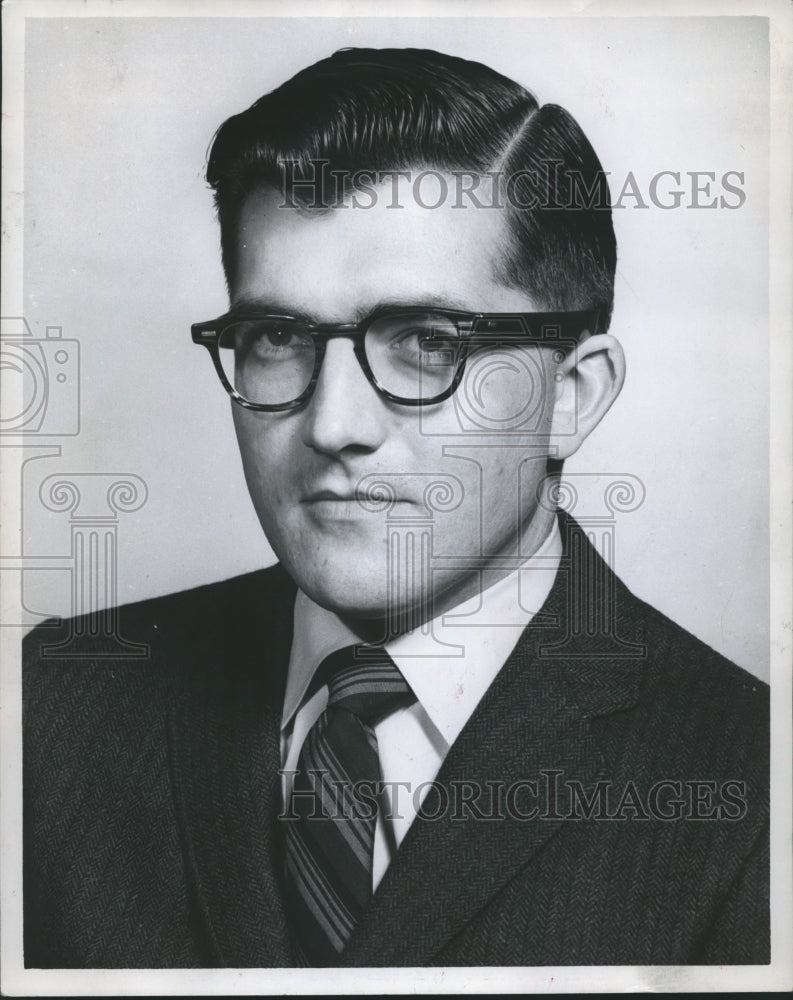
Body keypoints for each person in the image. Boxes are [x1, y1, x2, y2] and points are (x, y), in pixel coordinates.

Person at [23, 47, 769, 968]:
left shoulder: (749, 787)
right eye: (276, 337)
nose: (333, 423)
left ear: (570, 396)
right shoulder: (47, 708)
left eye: (425, 341)